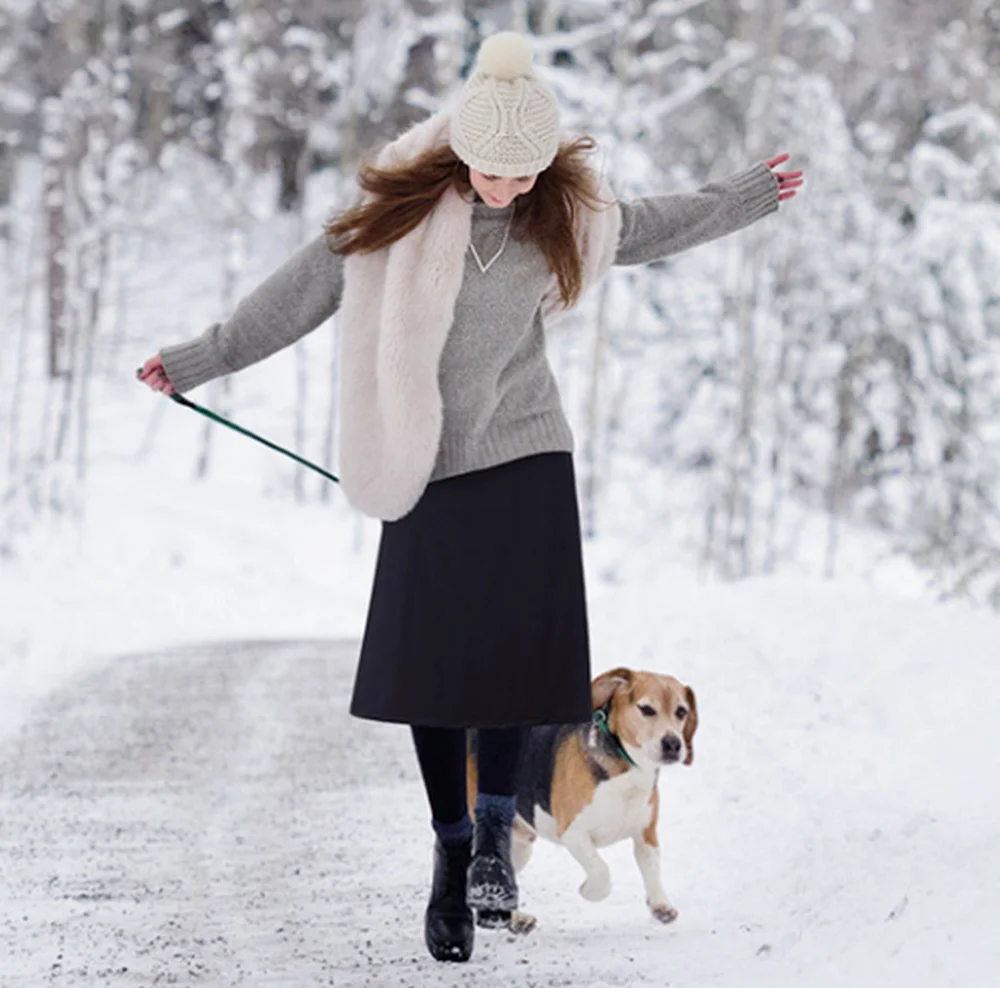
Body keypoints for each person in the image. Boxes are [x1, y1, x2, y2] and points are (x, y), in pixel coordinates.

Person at [138, 30, 803, 964]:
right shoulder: (395, 214)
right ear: (460, 152)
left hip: (528, 453)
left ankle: (497, 840)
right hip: (426, 465)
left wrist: (749, 195)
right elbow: (290, 297)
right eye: (491, 173)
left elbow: (654, 224)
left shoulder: (563, 211)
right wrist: (195, 361)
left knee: (518, 668)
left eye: (524, 174)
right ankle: (452, 860)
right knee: (434, 679)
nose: (508, 188)